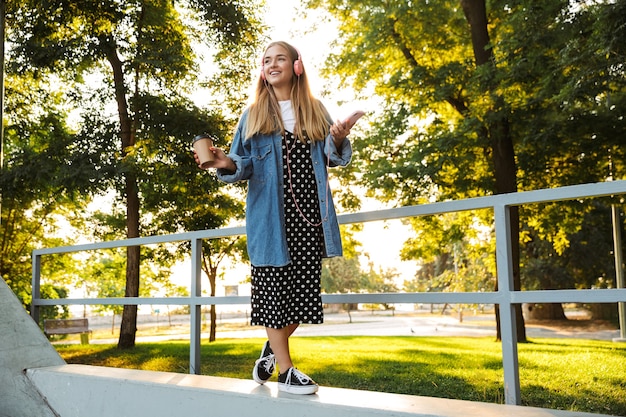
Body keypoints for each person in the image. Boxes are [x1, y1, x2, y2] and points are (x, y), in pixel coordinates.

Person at [194, 40, 352, 395]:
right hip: (270, 218)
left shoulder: (314, 109)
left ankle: (271, 347)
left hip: (310, 216)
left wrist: (339, 137)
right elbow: (241, 163)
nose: (272, 64)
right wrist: (224, 162)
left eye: (280, 58)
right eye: (267, 60)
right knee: (272, 294)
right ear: (262, 70)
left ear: (297, 66)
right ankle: (287, 370)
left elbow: (333, 156)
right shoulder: (253, 115)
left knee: (301, 297)